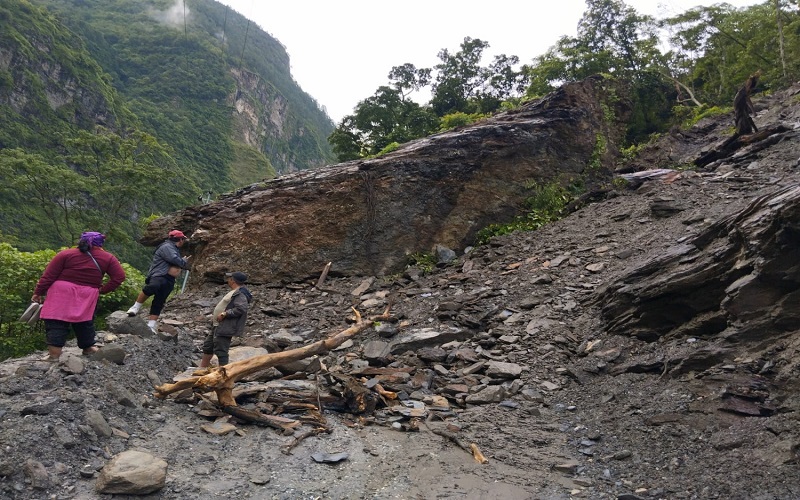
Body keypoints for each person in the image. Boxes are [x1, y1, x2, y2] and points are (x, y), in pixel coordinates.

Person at [32, 232, 126, 360]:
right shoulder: (108, 258)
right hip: (87, 294)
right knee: (85, 321)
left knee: (56, 322)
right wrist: (102, 290)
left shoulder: (65, 254)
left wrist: (38, 292)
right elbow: (119, 277)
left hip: (61, 292)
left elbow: (48, 276)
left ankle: (54, 354)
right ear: (100, 243)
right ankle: (88, 348)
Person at [126, 229, 191, 332]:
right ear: (180, 239)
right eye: (183, 239)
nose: (183, 241)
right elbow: (175, 260)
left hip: (169, 279)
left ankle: (151, 325)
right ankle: (135, 307)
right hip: (160, 275)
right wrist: (183, 261)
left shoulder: (174, 248)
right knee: (152, 287)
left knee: (160, 300)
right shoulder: (167, 247)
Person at [198, 272, 253, 367]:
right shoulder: (234, 291)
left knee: (221, 350)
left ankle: (224, 372)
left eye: (229, 278)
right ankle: (202, 369)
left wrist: (225, 313)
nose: (228, 280)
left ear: (233, 280)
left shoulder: (240, 294)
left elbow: (241, 309)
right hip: (217, 325)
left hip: (225, 326)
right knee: (208, 346)